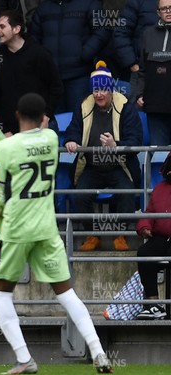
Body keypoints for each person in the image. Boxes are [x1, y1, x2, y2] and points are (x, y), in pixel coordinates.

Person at [0, 92, 113, 374]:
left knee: (1, 295)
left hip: (15, 228)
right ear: (43, 118)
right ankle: (98, 352)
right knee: (67, 293)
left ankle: (24, 359)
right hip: (46, 228)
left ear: (16, 115)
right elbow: (28, 144)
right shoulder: (51, 139)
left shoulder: (5, 149)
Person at [64, 61, 142, 251]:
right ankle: (92, 236)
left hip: (118, 165)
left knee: (126, 193)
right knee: (81, 195)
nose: (98, 94)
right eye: (95, 90)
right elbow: (73, 131)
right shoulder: (83, 106)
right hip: (91, 166)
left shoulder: (126, 107)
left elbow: (136, 141)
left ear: (111, 91)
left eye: (102, 90)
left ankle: (120, 235)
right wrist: (71, 141)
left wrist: (116, 146)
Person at [0, 10, 63, 135]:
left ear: (16, 29)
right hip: (11, 132)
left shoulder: (39, 53)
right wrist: (5, 129)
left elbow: (56, 88)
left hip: (41, 126)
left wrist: (47, 116)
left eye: (2, 27)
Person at [28, 0, 110, 113]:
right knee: (54, 122)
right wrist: (44, 61)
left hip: (79, 75)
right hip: (51, 77)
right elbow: (34, 37)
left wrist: (84, 54)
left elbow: (102, 30)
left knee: (80, 119)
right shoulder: (43, 7)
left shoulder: (90, 3)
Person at [135, 153, 171, 320]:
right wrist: (144, 226)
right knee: (144, 253)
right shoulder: (159, 189)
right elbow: (149, 213)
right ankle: (153, 305)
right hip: (161, 238)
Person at [134, 0, 171, 145]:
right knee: (158, 155)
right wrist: (139, 94)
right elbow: (142, 70)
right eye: (164, 9)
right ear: (158, 13)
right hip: (155, 107)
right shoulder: (148, 34)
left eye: (170, 8)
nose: (168, 11)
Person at [113, 0, 158, 104]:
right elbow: (121, 32)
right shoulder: (138, 2)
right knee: (137, 113)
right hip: (141, 72)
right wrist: (132, 63)